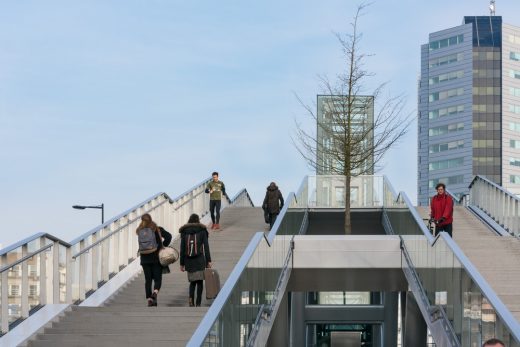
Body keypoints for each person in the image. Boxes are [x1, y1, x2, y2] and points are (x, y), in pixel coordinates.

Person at [179, 213, 212, 307]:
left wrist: (182, 263)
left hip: (188, 260)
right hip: (200, 259)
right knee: (200, 282)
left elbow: (182, 249)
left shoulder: (184, 231)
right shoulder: (202, 230)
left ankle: (190, 300)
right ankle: (198, 303)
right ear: (198, 220)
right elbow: (206, 247)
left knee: (192, 282)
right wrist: (208, 260)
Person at [136, 213, 166, 306]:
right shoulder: (155, 228)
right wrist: (163, 247)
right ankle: (155, 293)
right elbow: (165, 239)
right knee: (158, 279)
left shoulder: (139, 230)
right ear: (150, 219)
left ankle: (149, 299)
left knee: (148, 280)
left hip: (144, 258)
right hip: (155, 258)